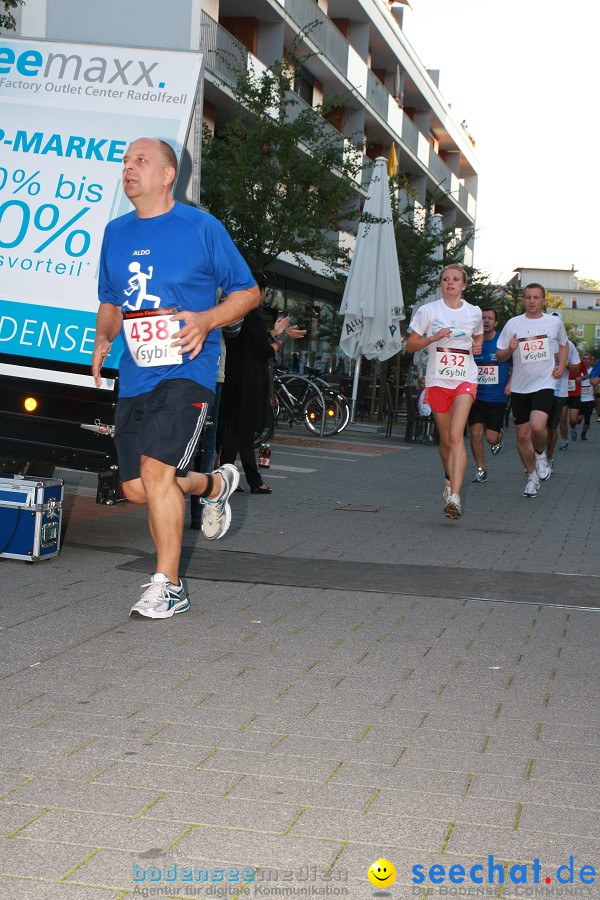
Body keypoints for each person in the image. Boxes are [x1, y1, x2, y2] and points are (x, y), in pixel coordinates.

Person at [92, 137, 260, 619]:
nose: (129, 169)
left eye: (141, 161)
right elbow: (110, 299)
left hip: (190, 368)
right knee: (135, 488)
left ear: (168, 175)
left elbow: (247, 293)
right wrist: (104, 337)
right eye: (126, 162)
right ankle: (212, 486)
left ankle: (168, 585)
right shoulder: (115, 232)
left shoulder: (201, 227)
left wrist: (206, 320)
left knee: (155, 473)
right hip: (137, 373)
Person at [405, 263, 483, 519]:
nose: (450, 282)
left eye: (455, 279)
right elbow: (410, 346)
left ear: (463, 285)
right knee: (446, 440)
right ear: (441, 284)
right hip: (438, 380)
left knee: (456, 435)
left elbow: (478, 338)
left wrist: (478, 347)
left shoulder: (474, 312)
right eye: (446, 279)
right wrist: (434, 338)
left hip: (465, 378)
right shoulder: (428, 311)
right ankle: (448, 479)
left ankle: (455, 497)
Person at [218, 273, 306, 494]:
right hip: (249, 380)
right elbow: (264, 350)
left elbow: (249, 340)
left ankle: (252, 480)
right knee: (239, 430)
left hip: (233, 374)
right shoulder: (253, 315)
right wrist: (283, 338)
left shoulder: (236, 311)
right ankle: (226, 479)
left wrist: (273, 333)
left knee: (243, 432)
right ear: (263, 291)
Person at [496, 284, 567, 498]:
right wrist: (510, 349)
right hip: (520, 386)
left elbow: (563, 344)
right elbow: (499, 355)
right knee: (523, 434)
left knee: (537, 427)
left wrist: (561, 366)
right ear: (524, 300)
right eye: (528, 297)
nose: (532, 301)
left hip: (544, 383)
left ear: (544, 300)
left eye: (536, 297)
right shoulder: (513, 323)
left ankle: (540, 455)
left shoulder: (554, 322)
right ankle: (532, 477)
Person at [468, 307, 511, 483]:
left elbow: (515, 364)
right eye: (483, 318)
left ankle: (498, 437)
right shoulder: (472, 340)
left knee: (490, 438)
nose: (486, 321)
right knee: (475, 434)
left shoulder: (502, 340)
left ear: (496, 322)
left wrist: (510, 384)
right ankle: (480, 469)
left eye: (489, 318)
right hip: (476, 396)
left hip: (497, 397)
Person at [546, 338, 580, 469]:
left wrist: (563, 362)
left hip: (559, 392)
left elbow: (576, 367)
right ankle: (537, 457)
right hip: (538, 389)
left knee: (551, 428)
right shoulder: (540, 340)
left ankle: (548, 458)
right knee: (536, 427)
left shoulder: (567, 344)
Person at [578, 352, 596, 440]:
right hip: (579, 398)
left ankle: (583, 434)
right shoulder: (579, 370)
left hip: (589, 398)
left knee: (587, 418)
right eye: (584, 359)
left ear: (590, 360)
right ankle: (578, 421)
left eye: (588, 359)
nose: (586, 361)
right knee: (577, 419)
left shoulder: (593, 371)